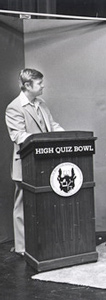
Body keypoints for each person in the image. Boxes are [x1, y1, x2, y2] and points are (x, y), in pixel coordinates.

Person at [5, 68, 64, 256]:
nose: (43, 86)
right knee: (22, 206)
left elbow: (52, 126)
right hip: (25, 164)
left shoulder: (42, 104)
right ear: (27, 85)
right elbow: (18, 135)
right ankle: (22, 247)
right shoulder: (14, 107)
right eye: (39, 83)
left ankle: (42, 242)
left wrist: (68, 135)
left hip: (44, 162)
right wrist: (42, 140)